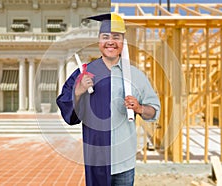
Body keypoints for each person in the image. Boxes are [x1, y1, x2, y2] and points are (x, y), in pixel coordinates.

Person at [56, 12, 160, 186]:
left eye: (116, 37)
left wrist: (140, 108)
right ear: (99, 41)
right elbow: (66, 107)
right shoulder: (84, 73)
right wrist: (78, 90)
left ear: (123, 42)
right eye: (105, 37)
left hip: (124, 161)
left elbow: (154, 111)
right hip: (96, 158)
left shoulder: (135, 75)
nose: (110, 41)